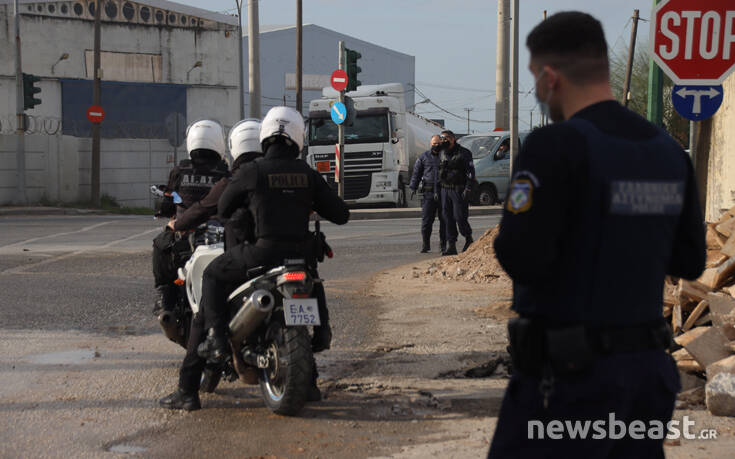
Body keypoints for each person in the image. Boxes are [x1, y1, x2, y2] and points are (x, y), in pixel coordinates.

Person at [487, 12, 705, 458]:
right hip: (646, 378)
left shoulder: (555, 146)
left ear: (551, 77)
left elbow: (520, 254)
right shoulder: (668, 152)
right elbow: (690, 262)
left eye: (535, 78)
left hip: (570, 382)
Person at [178, 106, 349, 410]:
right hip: (299, 255)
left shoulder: (251, 171)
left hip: (261, 253)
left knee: (213, 276)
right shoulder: (307, 174)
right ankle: (320, 338)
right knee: (313, 278)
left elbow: (224, 210)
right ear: (298, 137)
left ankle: (216, 340)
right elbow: (341, 214)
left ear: (266, 136)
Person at [158, 119, 263, 412]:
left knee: (208, 294)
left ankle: (190, 384)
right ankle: (312, 374)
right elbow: (338, 212)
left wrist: (176, 219)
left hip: (231, 249)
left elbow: (204, 208)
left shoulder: (227, 178)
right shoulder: (296, 173)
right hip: (285, 258)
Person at [151, 120, 229, 316]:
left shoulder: (179, 171)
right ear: (219, 142)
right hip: (219, 235)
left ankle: (164, 296)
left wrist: (170, 209)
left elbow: (169, 203)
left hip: (184, 233)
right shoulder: (225, 173)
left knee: (160, 245)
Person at [438, 130, 475, 255]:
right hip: (445, 189)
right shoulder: (441, 152)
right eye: (442, 138)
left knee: (460, 217)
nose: (444, 140)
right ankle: (451, 245)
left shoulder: (464, 153)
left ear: (453, 139)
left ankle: (468, 237)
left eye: (446, 138)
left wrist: (468, 188)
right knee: (447, 217)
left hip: (458, 189)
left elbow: (470, 172)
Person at [409, 135, 446, 253]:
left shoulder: (445, 156)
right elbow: (416, 173)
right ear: (430, 144)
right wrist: (413, 186)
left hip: (443, 193)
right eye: (434, 143)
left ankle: (443, 245)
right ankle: (426, 244)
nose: (436, 145)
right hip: (428, 193)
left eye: (438, 143)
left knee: (444, 220)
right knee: (426, 221)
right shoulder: (423, 157)